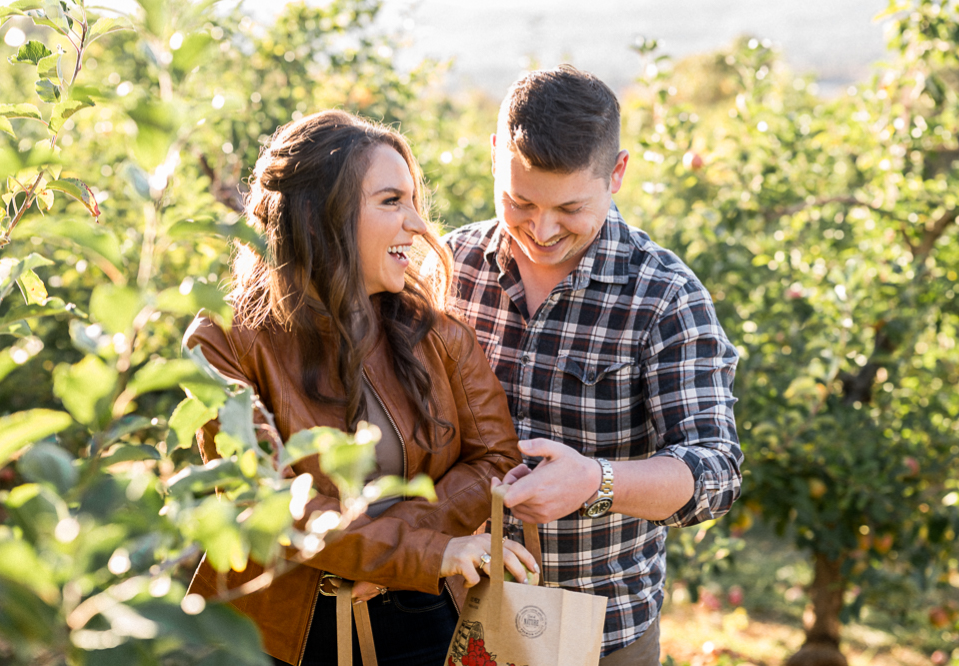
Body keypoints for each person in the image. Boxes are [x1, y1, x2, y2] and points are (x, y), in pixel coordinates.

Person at [185, 109, 537, 666]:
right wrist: (421, 549)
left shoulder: (435, 334)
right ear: (321, 215)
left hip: (421, 621)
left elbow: (496, 459)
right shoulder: (225, 341)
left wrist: (397, 555)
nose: (418, 225)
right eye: (391, 201)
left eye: (413, 201)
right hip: (275, 635)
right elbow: (264, 499)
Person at [444, 65, 743, 665]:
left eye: (571, 208)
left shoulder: (662, 296)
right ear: (495, 155)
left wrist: (594, 482)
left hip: (599, 634)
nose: (542, 229)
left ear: (618, 175)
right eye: (519, 201)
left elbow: (715, 471)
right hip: (450, 616)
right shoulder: (451, 267)